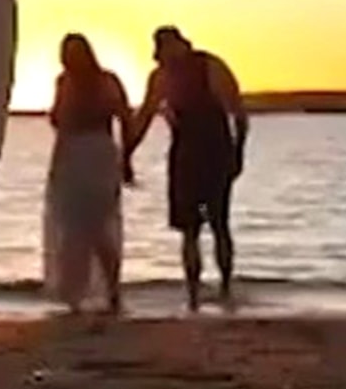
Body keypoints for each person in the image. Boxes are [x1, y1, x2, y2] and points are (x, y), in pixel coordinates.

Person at [122, 26, 248, 312]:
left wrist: (238, 153)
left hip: (215, 151)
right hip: (186, 155)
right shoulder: (161, 77)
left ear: (181, 44)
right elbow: (143, 117)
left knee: (218, 223)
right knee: (190, 229)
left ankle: (225, 286)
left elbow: (238, 112)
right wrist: (126, 155)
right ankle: (193, 292)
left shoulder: (211, 66)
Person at [43, 33, 133, 315]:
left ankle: (95, 293)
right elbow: (124, 119)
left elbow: (123, 118)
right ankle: (90, 293)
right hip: (82, 153)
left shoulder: (98, 81)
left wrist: (126, 158)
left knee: (87, 228)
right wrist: (126, 158)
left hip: (87, 153)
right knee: (83, 227)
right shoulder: (80, 81)